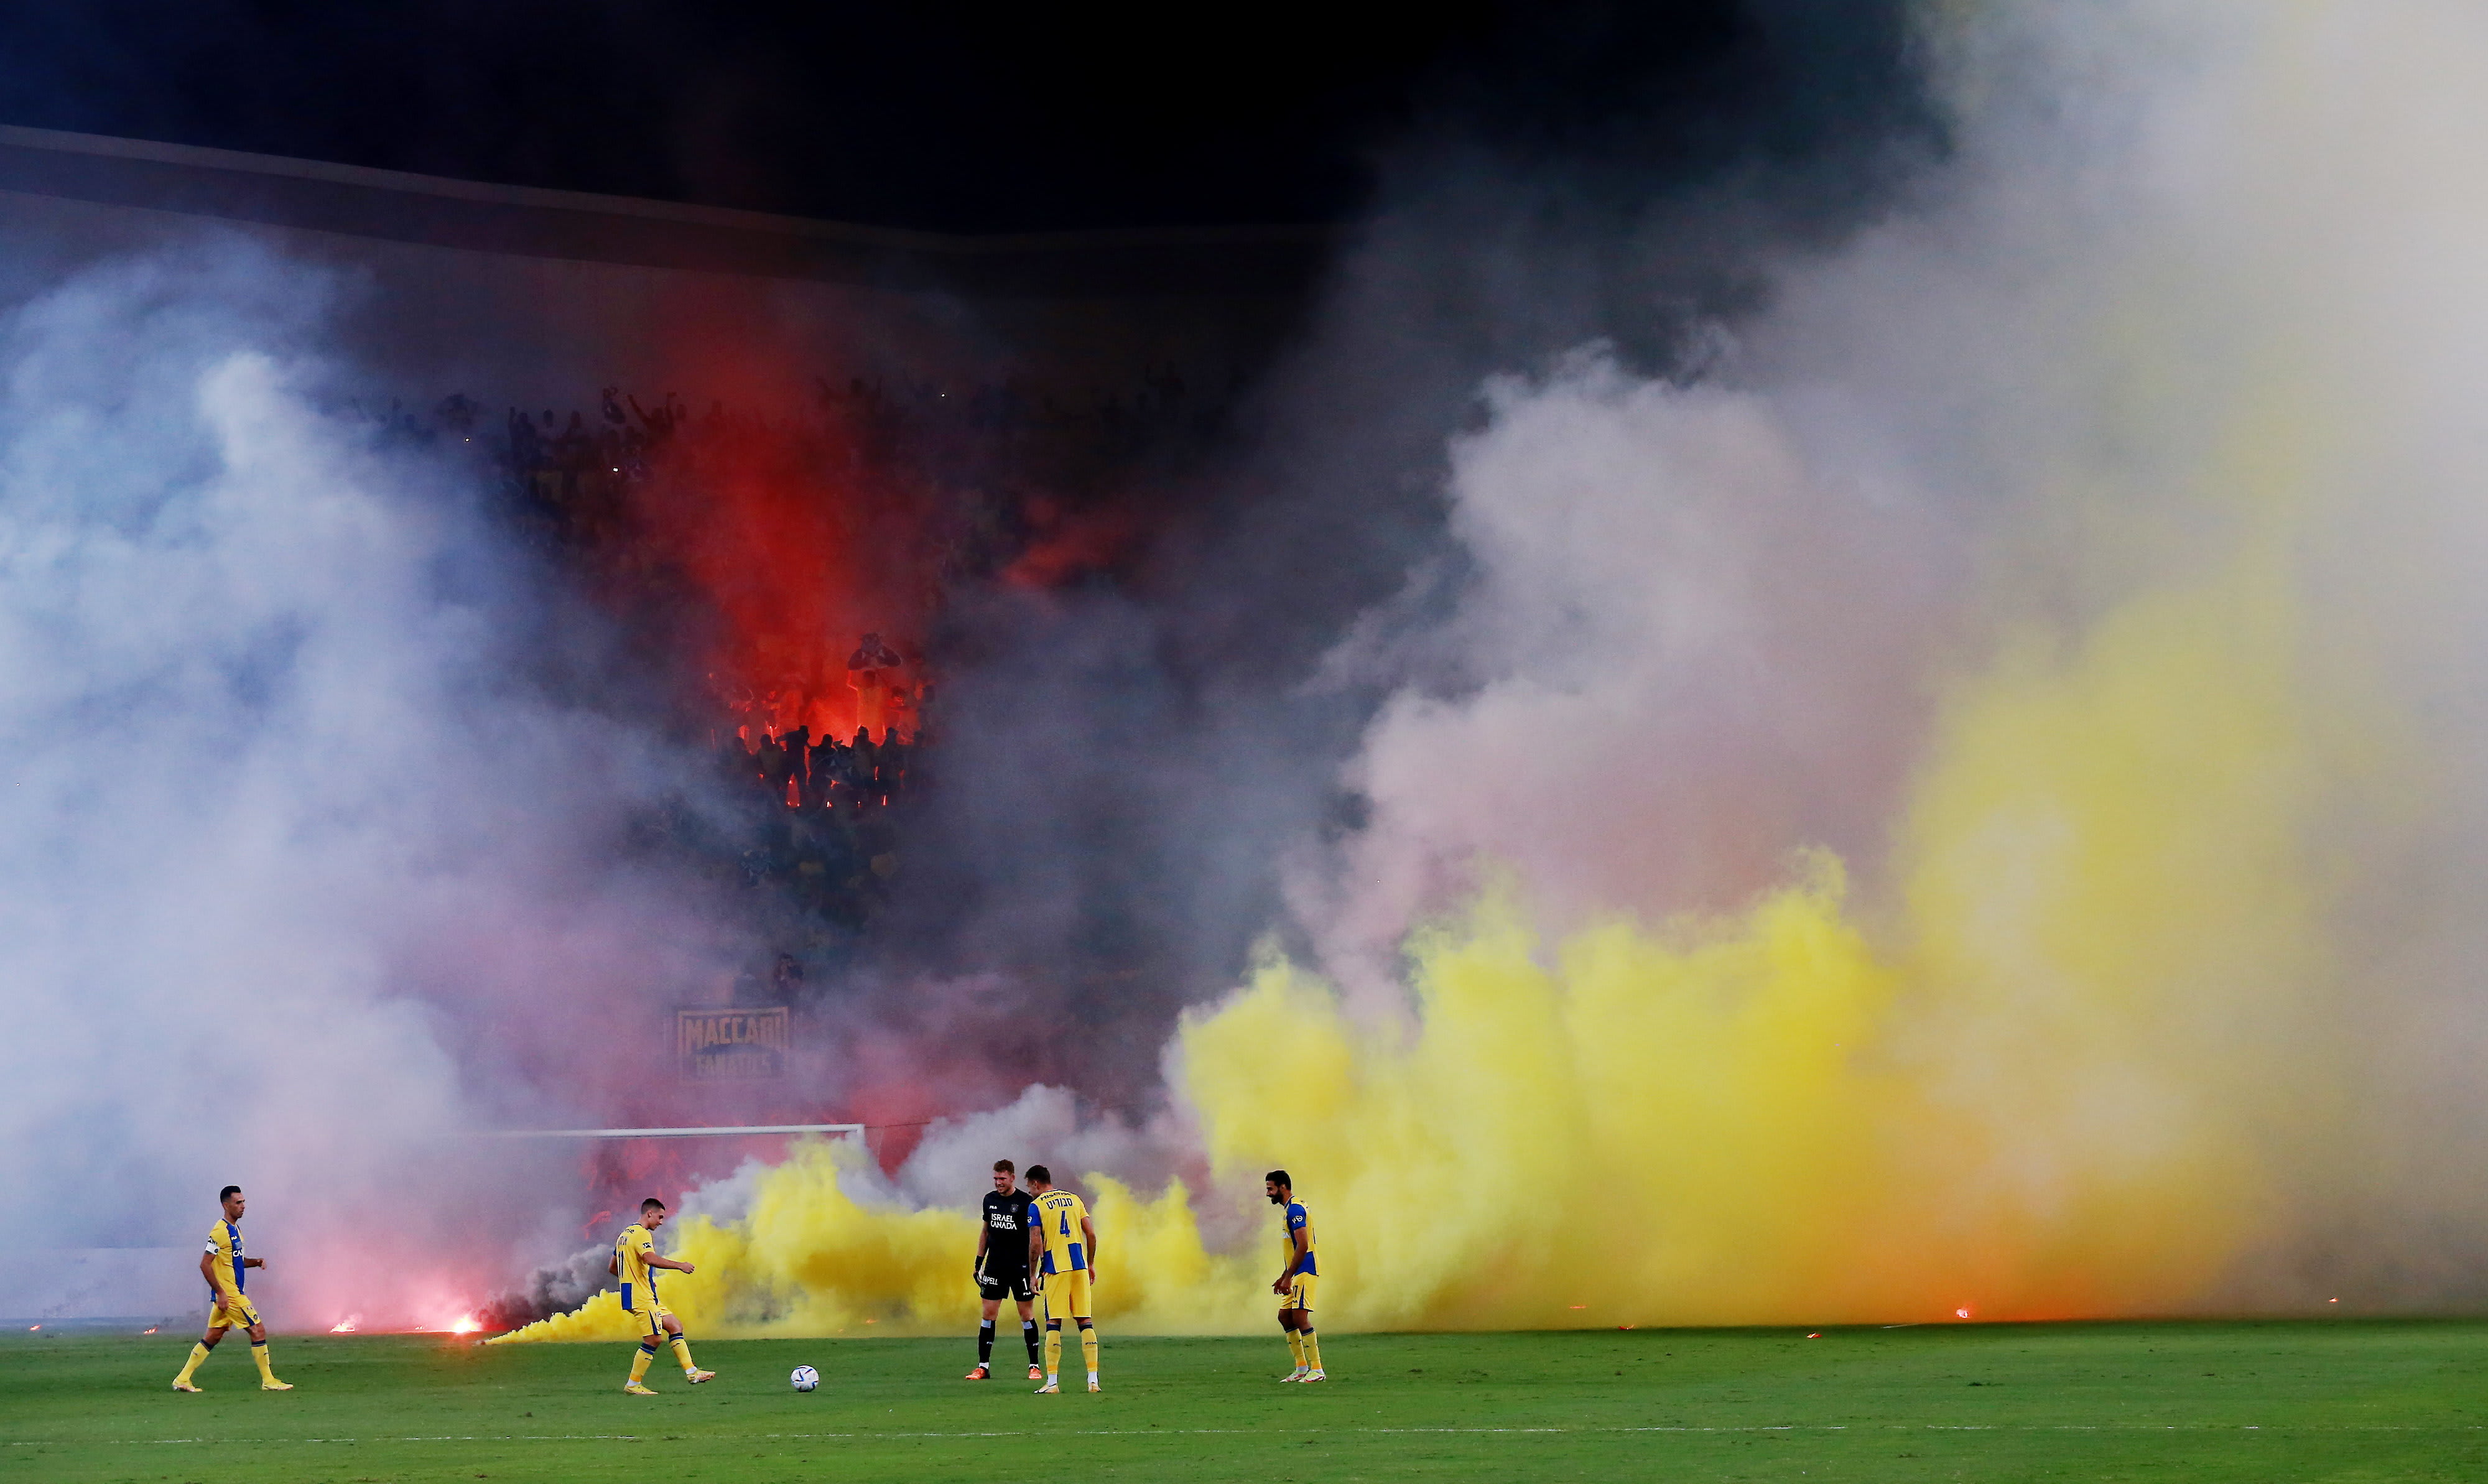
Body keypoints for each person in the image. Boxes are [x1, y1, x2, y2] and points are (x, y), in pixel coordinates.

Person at [172, 1185, 290, 1392]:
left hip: (228, 1296)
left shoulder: (235, 1230)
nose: (243, 1206)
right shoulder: (220, 1231)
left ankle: (182, 1379)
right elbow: (205, 1264)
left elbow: (235, 1261)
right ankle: (269, 1380)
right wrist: (221, 1292)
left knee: (213, 1336)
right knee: (257, 1329)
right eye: (238, 1203)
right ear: (226, 1205)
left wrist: (255, 1262)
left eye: (244, 1202)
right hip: (231, 1295)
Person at [610, 1199, 715, 1394]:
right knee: (654, 1339)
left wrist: (632, 1277)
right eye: (660, 1217)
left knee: (675, 1325)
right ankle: (633, 1385)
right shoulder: (642, 1234)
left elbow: (613, 1267)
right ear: (649, 1213)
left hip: (642, 1293)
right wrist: (680, 1265)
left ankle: (692, 1372)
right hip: (641, 1295)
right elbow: (649, 1258)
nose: (661, 1222)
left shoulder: (624, 1235)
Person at [1024, 1165, 1099, 1393]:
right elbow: (1092, 1234)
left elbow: (1036, 1242)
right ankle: (1093, 1381)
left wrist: (1033, 1274)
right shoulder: (1074, 1199)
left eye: (1029, 1187)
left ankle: (1053, 1383)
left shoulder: (1036, 1206)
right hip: (1079, 1267)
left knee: (1053, 1323)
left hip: (1056, 1269)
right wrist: (1091, 1263)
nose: (1029, 1192)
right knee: (1085, 1321)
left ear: (1036, 1184)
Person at [966, 1159, 1043, 1381]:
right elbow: (986, 1232)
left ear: (1012, 1178)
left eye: (1002, 1179)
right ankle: (983, 1367)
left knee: (1026, 1315)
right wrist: (979, 1262)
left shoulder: (1027, 1202)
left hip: (1020, 1267)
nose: (998, 1183)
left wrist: (1035, 1269)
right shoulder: (989, 1200)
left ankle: (1034, 1366)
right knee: (988, 1314)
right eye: (996, 1179)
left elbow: (1035, 1237)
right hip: (995, 1265)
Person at [1267, 1170, 1325, 1383]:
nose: (1268, 1194)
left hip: (1306, 1270)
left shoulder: (1295, 1210)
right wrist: (1283, 1276)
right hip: (1295, 1272)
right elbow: (1293, 1248)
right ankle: (1301, 1367)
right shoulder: (1289, 1209)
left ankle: (1317, 1369)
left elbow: (1303, 1246)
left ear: (1283, 1187)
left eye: (1270, 1189)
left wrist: (1288, 1277)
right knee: (1285, 1317)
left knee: (1300, 1317)